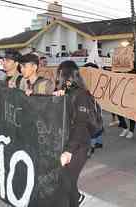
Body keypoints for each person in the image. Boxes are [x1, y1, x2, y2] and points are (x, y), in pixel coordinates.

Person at [53, 60, 99, 207]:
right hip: (66, 141)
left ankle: (75, 201)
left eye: (58, 74)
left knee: (67, 182)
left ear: (64, 75)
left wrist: (69, 151)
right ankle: (77, 198)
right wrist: (56, 100)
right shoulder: (64, 92)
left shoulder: (81, 95)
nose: (56, 78)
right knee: (65, 182)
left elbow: (80, 125)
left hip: (79, 145)